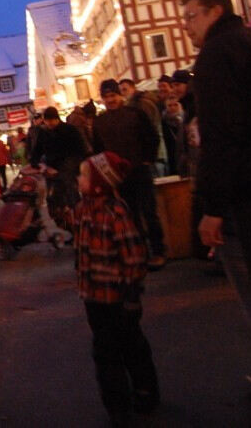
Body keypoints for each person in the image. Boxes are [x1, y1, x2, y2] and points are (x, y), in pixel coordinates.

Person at [184, 0, 251, 389]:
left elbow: (221, 135)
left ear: (215, 11)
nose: (186, 27)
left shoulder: (216, 57)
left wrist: (211, 206)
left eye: (192, 17)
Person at [74, 151, 159, 425]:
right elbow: (76, 233)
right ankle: (117, 404)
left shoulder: (116, 212)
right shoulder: (83, 208)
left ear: (99, 183)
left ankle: (144, 391)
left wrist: (132, 296)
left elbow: (134, 257)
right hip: (93, 297)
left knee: (131, 345)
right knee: (106, 351)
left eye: (84, 175)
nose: (79, 178)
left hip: (119, 298)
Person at [92, 79, 165, 269]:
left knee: (149, 212)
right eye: (106, 97)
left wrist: (148, 158)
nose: (110, 100)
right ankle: (141, 252)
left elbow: (152, 136)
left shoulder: (135, 114)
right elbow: (98, 150)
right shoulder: (100, 122)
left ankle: (158, 251)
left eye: (113, 95)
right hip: (120, 176)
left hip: (139, 169)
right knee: (130, 216)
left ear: (119, 95)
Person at [30, 106, 89, 225]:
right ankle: (63, 225)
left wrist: (77, 167)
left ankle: (78, 224)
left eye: (51, 120)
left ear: (57, 119)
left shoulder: (70, 130)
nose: (49, 123)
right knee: (54, 201)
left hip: (68, 170)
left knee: (71, 198)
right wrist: (38, 165)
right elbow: (36, 152)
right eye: (47, 121)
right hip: (51, 172)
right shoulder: (43, 133)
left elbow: (81, 150)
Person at [120, 78, 167, 176]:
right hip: (150, 154)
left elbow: (150, 129)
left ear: (133, 88)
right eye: (121, 91)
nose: (123, 93)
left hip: (153, 154)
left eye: (125, 89)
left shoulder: (142, 103)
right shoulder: (134, 104)